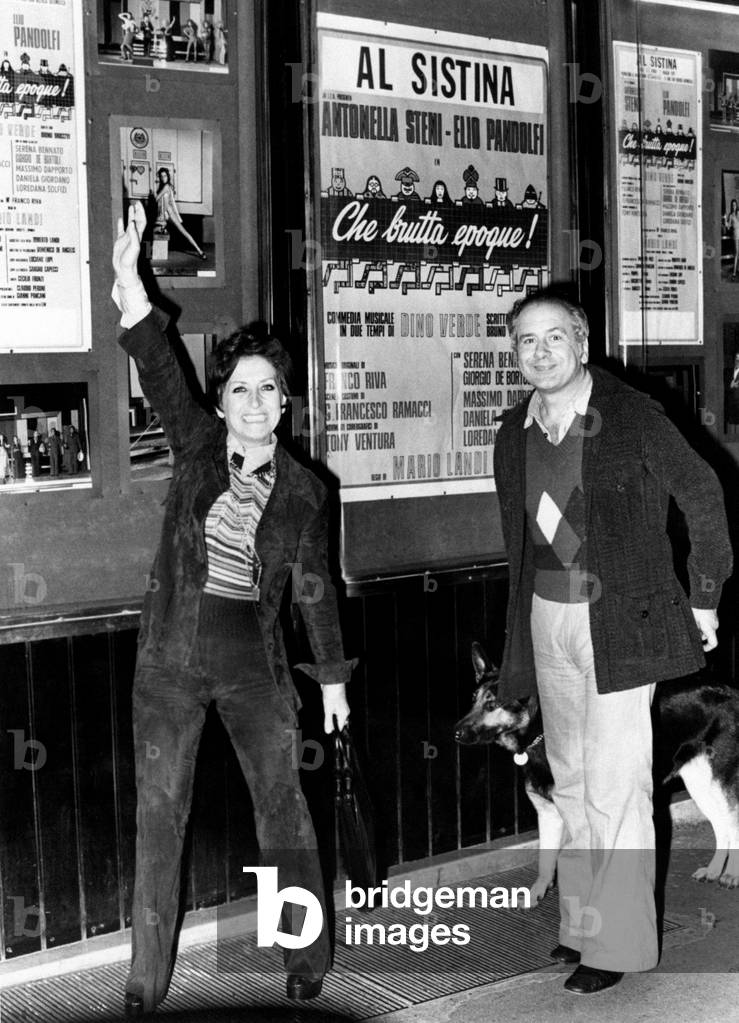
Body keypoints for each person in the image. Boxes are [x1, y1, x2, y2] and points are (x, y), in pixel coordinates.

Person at [112, 202, 354, 1017]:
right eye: (240, 388)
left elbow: (315, 587)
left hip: (257, 671)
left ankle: (305, 957)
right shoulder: (192, 447)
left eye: (268, 389)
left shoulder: (304, 492)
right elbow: (161, 369)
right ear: (222, 403)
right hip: (170, 668)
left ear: (285, 401)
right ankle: (145, 982)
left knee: (282, 810)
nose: (253, 401)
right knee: (159, 818)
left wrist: (331, 681)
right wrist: (130, 287)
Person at [494, 290, 732, 995]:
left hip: (618, 623)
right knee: (569, 777)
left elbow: (703, 494)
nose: (538, 352)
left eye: (552, 337)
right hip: (545, 617)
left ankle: (618, 943)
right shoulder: (514, 430)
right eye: (524, 341)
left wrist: (703, 594)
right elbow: (521, 543)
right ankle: (582, 924)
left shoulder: (629, 414)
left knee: (617, 783)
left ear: (581, 339)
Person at [154, 168, 206, 260]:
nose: (163, 178)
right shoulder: (166, 186)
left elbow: (157, 199)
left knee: (184, 232)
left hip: (168, 213)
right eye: (161, 176)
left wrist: (155, 191)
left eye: (165, 176)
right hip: (163, 214)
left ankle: (200, 251)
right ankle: (200, 251)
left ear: (168, 176)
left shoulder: (166, 187)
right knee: (155, 231)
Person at [724, 198, 739, 278]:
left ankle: (737, 269)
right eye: (733, 205)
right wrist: (726, 223)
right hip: (736, 235)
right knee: (736, 253)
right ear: (731, 206)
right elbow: (729, 227)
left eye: (735, 205)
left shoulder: (738, 213)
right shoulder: (730, 215)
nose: (734, 206)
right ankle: (734, 273)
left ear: (736, 205)